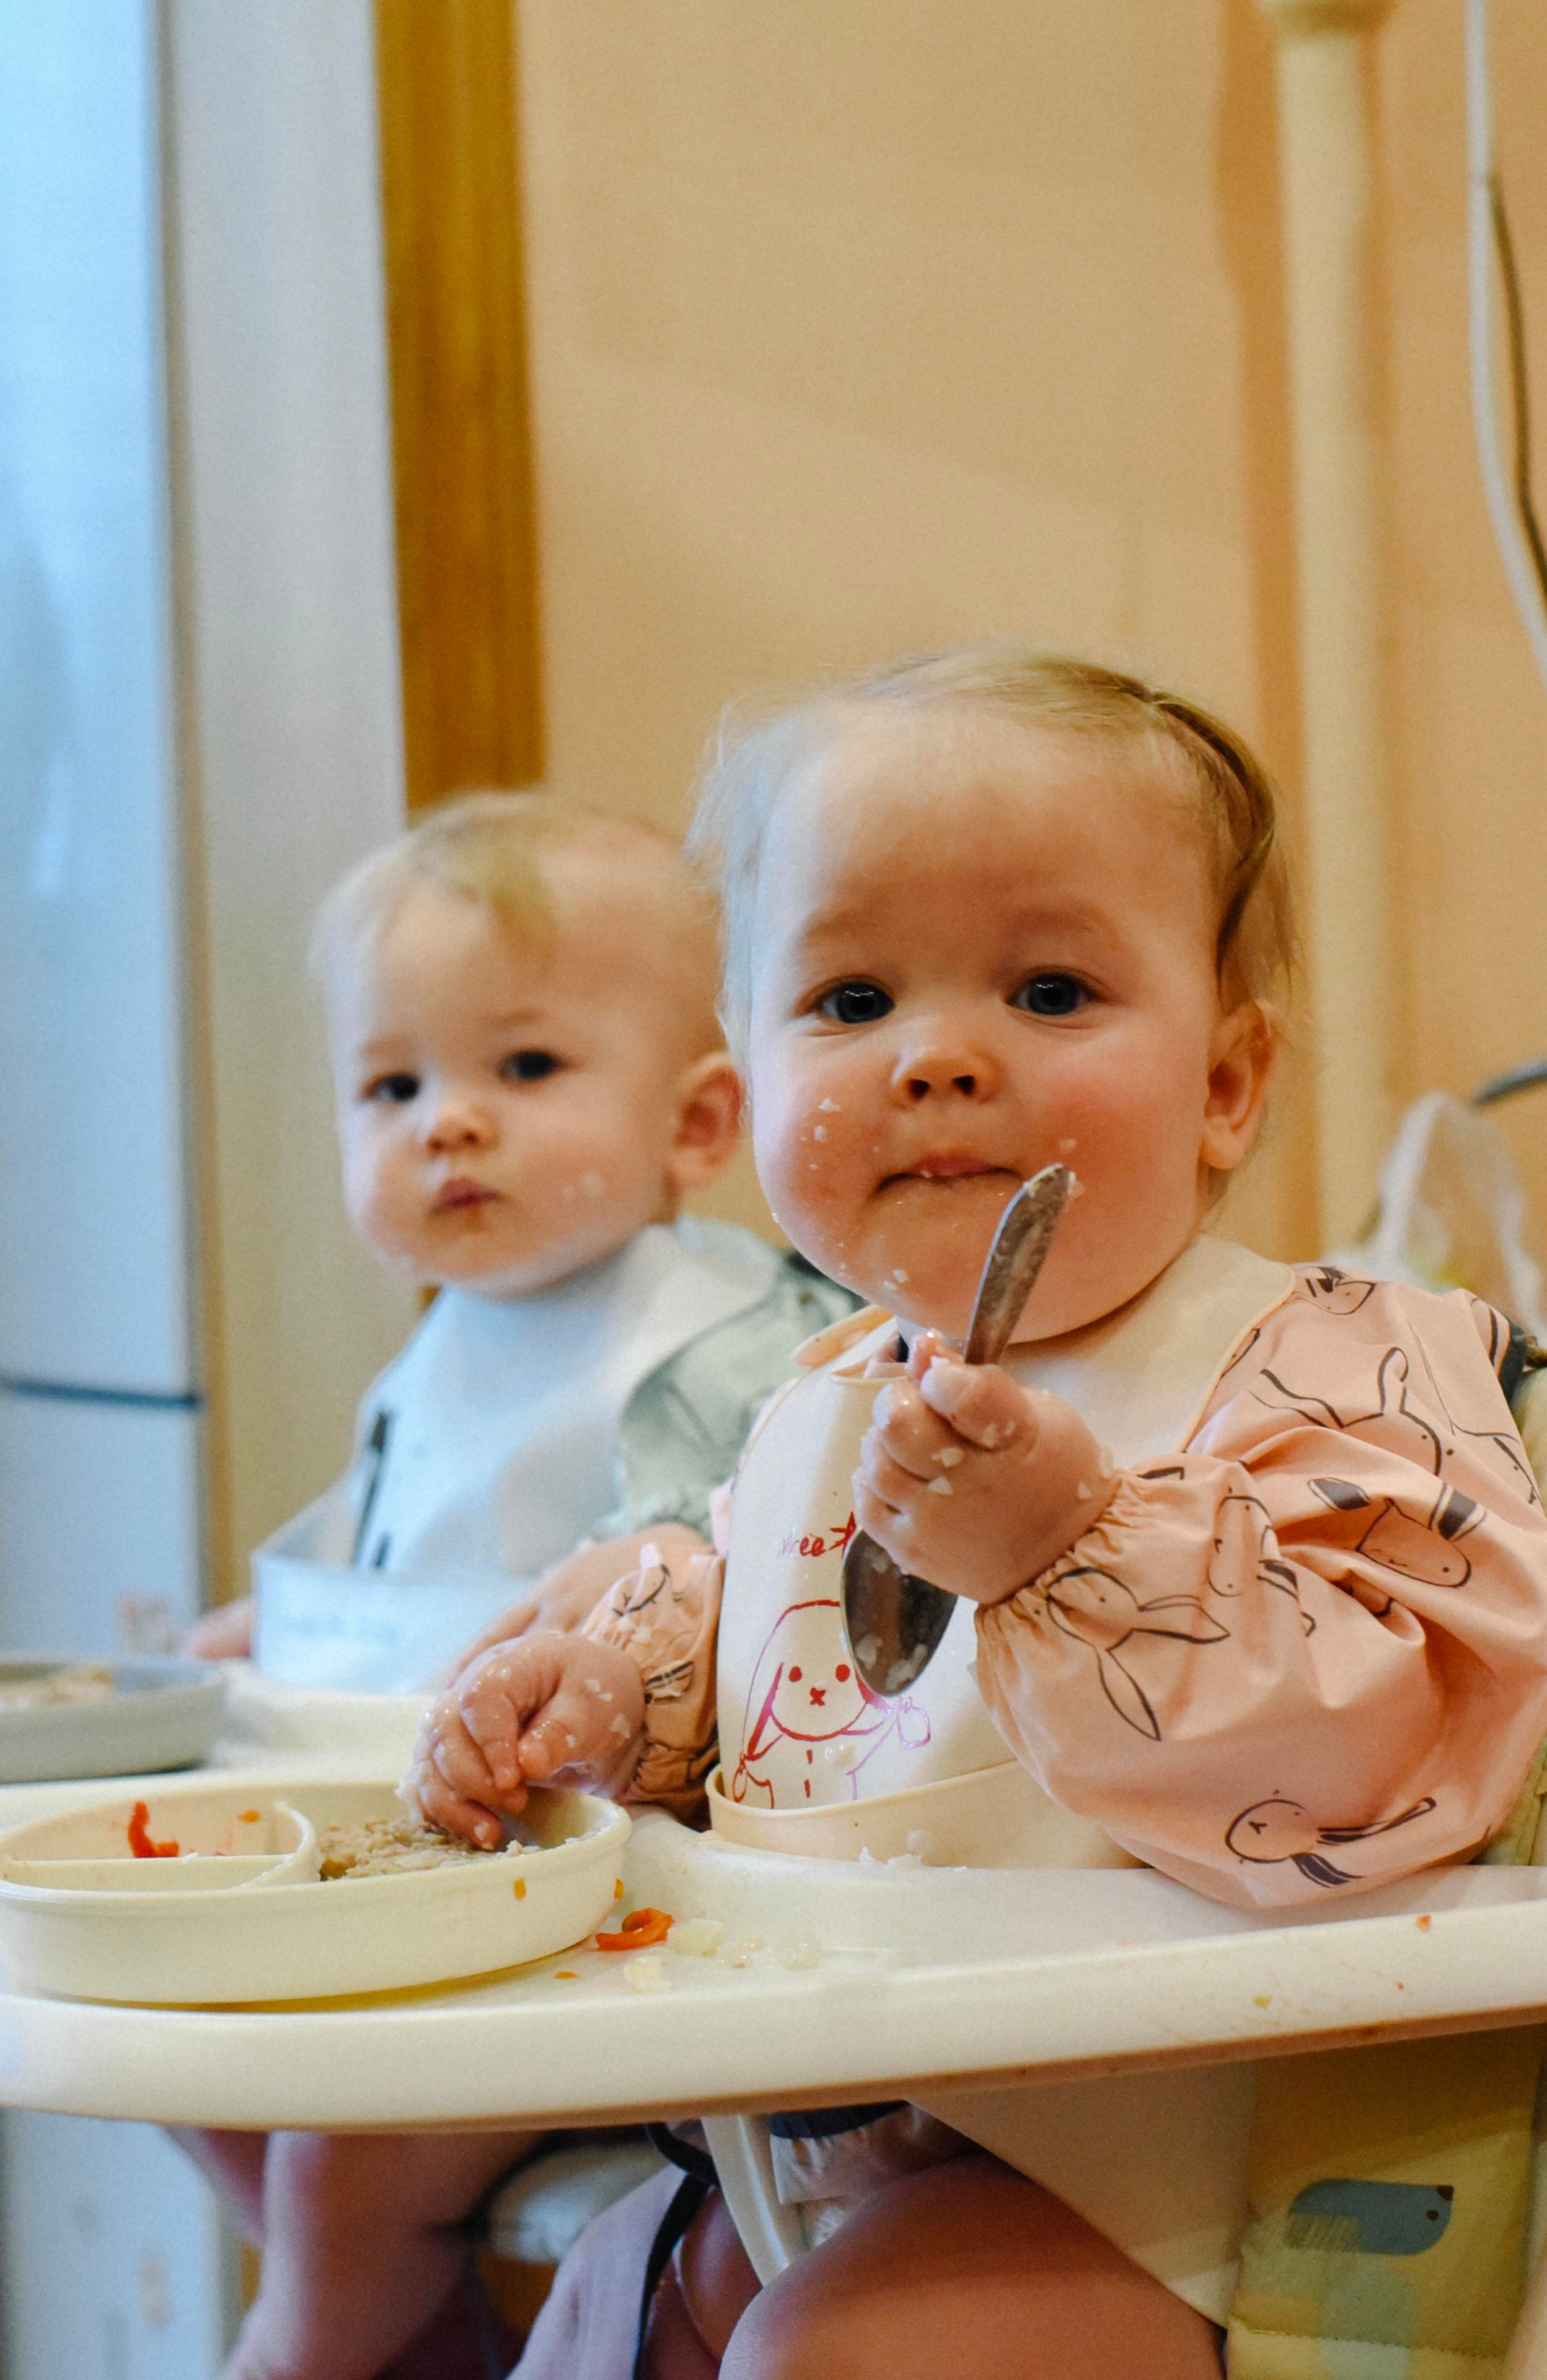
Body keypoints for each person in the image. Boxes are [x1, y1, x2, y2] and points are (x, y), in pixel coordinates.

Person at [408, 654, 1547, 2379]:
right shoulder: (825, 1399)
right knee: (609, 2312)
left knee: (839, 2354)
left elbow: (1393, 1748)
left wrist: (1075, 1552)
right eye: (852, 1001)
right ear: (751, 1073)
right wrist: (612, 1706)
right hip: (838, 2136)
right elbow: (787, 1675)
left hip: (1208, 2181)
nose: (941, 1057)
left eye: (1047, 988)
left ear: (1227, 1085)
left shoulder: (1327, 1362)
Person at [178, 790, 853, 2380]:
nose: (446, 1122)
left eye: (524, 1069)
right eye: (391, 1084)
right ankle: (390, 2334)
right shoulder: (445, 1344)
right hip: (429, 1868)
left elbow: (727, 1561)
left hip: (605, 1901)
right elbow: (391, 1518)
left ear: (697, 1124)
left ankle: (292, 2353)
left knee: (341, 2150)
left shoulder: (717, 1333)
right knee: (194, 2058)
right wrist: (265, 1624)